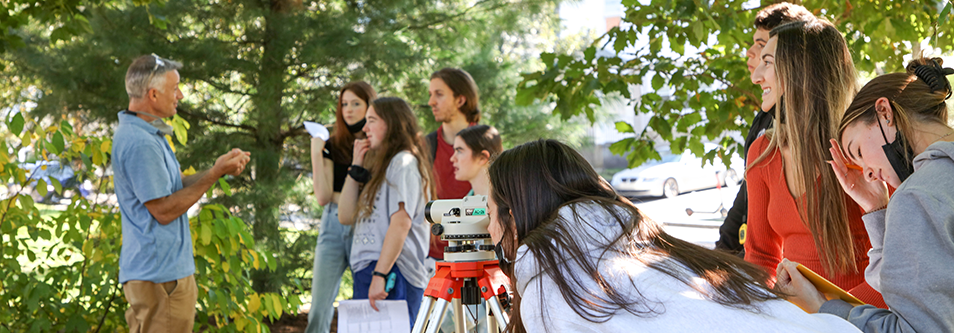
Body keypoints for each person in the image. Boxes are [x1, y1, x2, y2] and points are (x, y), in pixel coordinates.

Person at [486, 139, 862, 333]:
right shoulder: (650, 250)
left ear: (515, 216)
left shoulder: (555, 285)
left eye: (488, 213)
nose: (486, 229)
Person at [778, 57, 954, 332]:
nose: (868, 174)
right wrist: (876, 208)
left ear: (884, 111)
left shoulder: (916, 196)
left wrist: (821, 306)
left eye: (859, 151)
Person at [744, 19, 884, 307]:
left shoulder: (862, 149)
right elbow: (761, 258)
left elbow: (899, 269)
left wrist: (825, 314)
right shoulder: (762, 153)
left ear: (801, 72)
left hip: (865, 319)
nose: (757, 75)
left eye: (768, 63)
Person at [113, 54, 250, 333]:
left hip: (157, 275)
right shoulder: (141, 143)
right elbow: (163, 210)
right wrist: (212, 176)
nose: (181, 95)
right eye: (175, 88)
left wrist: (217, 169)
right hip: (161, 278)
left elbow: (173, 188)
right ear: (153, 94)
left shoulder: (145, 134)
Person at [716, 2, 814, 257]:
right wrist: (725, 247)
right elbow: (749, 190)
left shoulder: (850, 144)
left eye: (762, 48)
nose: (750, 54)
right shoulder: (764, 121)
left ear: (794, 57)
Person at [337, 97, 436, 326]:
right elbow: (345, 216)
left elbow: (401, 223)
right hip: (371, 268)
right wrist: (356, 167)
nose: (364, 128)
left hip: (392, 271)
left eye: (371, 120)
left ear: (392, 124)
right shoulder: (381, 165)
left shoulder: (404, 163)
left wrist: (380, 274)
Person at [306, 81, 376, 333]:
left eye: (356, 103)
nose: (348, 110)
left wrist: (344, 196)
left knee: (369, 304)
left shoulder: (378, 145)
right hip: (333, 225)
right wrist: (316, 152)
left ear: (370, 105)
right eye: (344, 104)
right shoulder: (330, 142)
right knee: (318, 309)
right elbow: (323, 196)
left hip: (368, 226)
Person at [425, 68, 481, 261]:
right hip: (431, 260)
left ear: (460, 100)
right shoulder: (426, 146)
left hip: (478, 257)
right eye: (431, 94)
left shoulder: (487, 144)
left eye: (439, 94)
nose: (431, 101)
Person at [451, 125, 502, 197]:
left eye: (459, 151)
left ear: (483, 157)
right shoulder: (465, 203)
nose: (452, 158)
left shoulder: (507, 203)